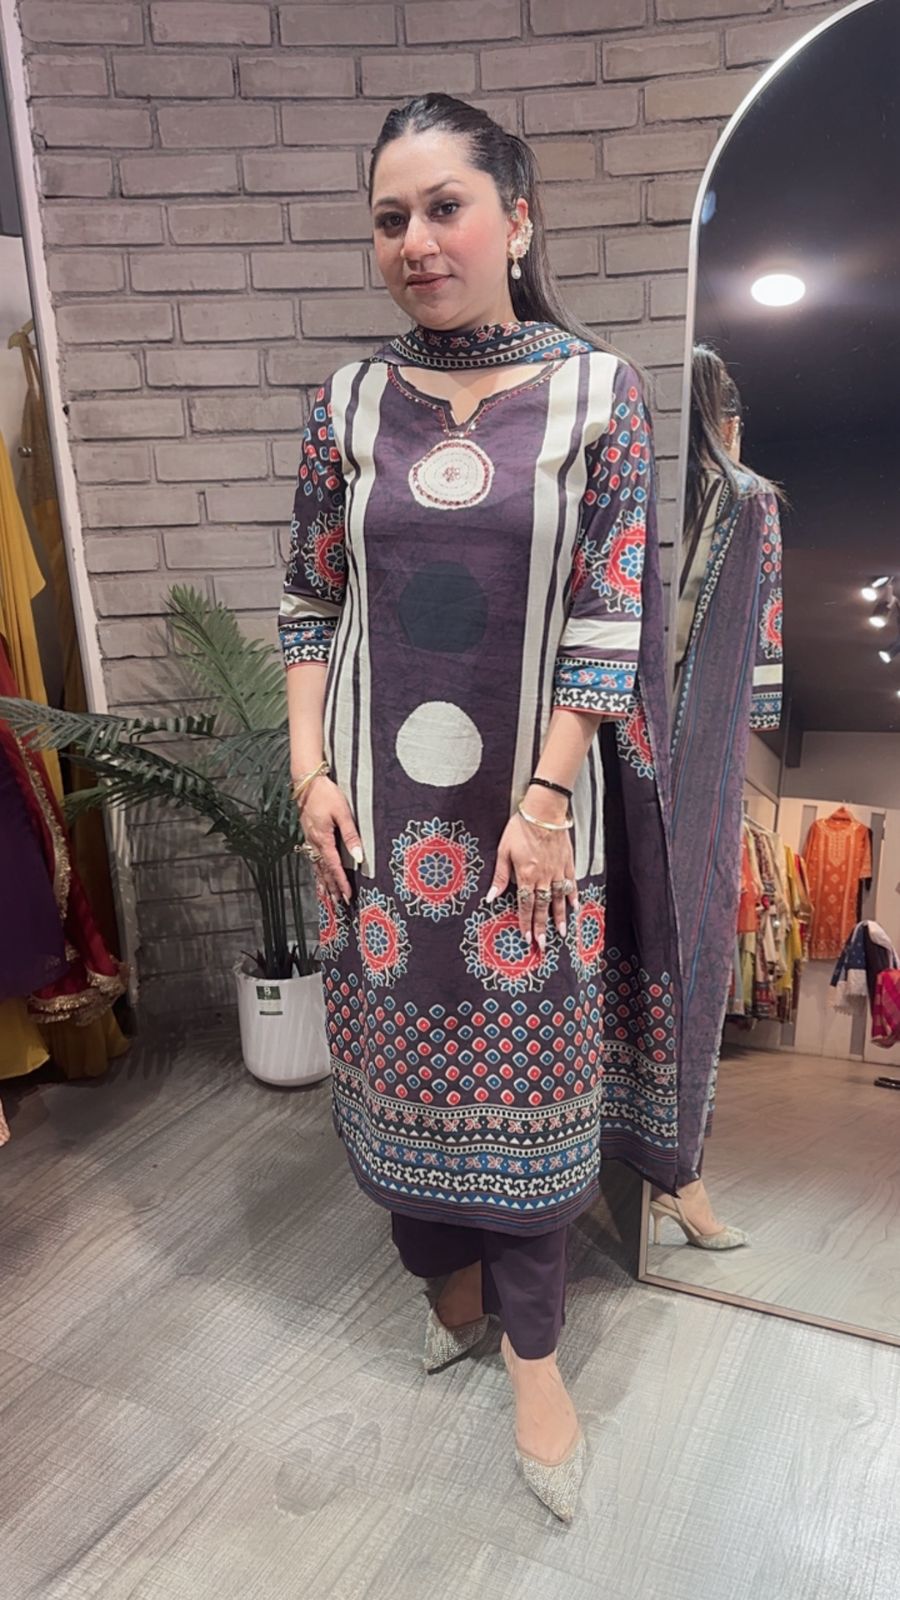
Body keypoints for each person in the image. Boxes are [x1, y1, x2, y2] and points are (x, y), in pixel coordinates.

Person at [279, 93, 681, 1524]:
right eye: (391, 217)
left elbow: (609, 616)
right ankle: (444, 1285)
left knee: (526, 1084)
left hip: (527, 822)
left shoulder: (599, 392)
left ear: (518, 218)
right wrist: (309, 774)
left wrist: (551, 794)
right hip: (376, 821)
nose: (417, 241)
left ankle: (536, 1358)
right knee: (397, 1063)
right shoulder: (347, 404)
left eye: (445, 207)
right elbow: (310, 599)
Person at [652, 345, 783, 1249]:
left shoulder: (634, 484)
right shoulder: (750, 500)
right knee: (691, 955)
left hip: (609, 738)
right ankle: (678, 1173)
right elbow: (751, 661)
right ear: (726, 419)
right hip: (695, 751)